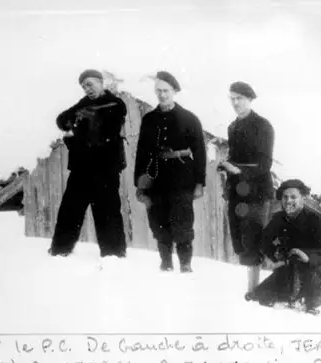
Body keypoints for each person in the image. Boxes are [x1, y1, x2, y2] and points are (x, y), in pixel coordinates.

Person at [49, 69, 128, 260]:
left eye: (90, 84)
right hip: (81, 168)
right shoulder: (84, 104)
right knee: (70, 210)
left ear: (101, 83)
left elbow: (103, 136)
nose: (87, 89)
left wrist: (73, 138)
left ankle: (114, 256)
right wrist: (76, 119)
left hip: (105, 168)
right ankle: (60, 251)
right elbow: (61, 120)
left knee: (107, 211)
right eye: (84, 86)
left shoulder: (115, 105)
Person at [134, 71, 207, 273]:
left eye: (166, 91)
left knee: (182, 223)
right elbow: (141, 152)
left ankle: (185, 264)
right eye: (158, 91)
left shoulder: (189, 118)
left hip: (182, 177)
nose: (162, 95)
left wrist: (200, 182)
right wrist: (139, 185)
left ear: (174, 91)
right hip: (156, 178)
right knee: (158, 221)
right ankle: (165, 263)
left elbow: (200, 152)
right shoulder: (149, 119)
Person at [245, 179, 321, 315]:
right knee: (261, 296)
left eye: (293, 197)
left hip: (319, 268)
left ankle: (310, 305)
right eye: (285, 197)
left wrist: (306, 256)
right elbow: (265, 242)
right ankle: (290, 297)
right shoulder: (279, 219)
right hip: (291, 267)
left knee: (311, 283)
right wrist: (277, 255)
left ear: (303, 199)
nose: (288, 201)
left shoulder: (316, 220)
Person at [218, 81, 275, 292]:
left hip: (256, 192)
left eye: (239, 98)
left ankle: (254, 290)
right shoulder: (232, 127)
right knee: (239, 240)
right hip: (236, 191)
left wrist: (240, 171)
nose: (235, 103)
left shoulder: (263, 126)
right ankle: (252, 289)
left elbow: (265, 163)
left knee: (253, 239)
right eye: (231, 98)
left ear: (250, 100)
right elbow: (235, 157)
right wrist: (225, 166)